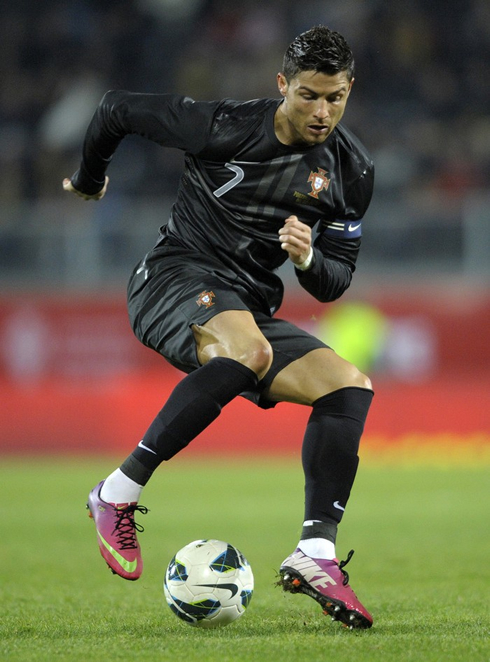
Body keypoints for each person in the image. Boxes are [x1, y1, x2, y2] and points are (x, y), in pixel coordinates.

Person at [63, 25, 375, 629]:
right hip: (173, 278)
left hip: (246, 309)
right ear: (282, 84)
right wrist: (92, 176)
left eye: (334, 97)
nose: (322, 111)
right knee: (251, 351)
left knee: (348, 385)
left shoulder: (351, 170)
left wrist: (310, 259)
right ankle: (116, 493)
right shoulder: (224, 125)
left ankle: (315, 552)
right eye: (308, 94)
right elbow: (115, 110)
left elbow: (336, 281)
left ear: (349, 90)